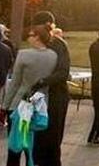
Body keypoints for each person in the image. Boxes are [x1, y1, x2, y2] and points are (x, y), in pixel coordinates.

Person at [3, 26, 57, 166]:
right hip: (41, 107)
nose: (28, 37)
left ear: (37, 37)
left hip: (21, 105)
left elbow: (15, 83)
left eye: (30, 35)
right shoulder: (53, 55)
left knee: (15, 146)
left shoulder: (23, 54)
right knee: (33, 149)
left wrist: (4, 107)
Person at [31, 11, 71, 166]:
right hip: (39, 98)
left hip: (56, 97)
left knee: (52, 141)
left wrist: (42, 81)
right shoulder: (37, 44)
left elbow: (62, 72)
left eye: (37, 26)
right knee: (38, 141)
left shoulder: (59, 45)